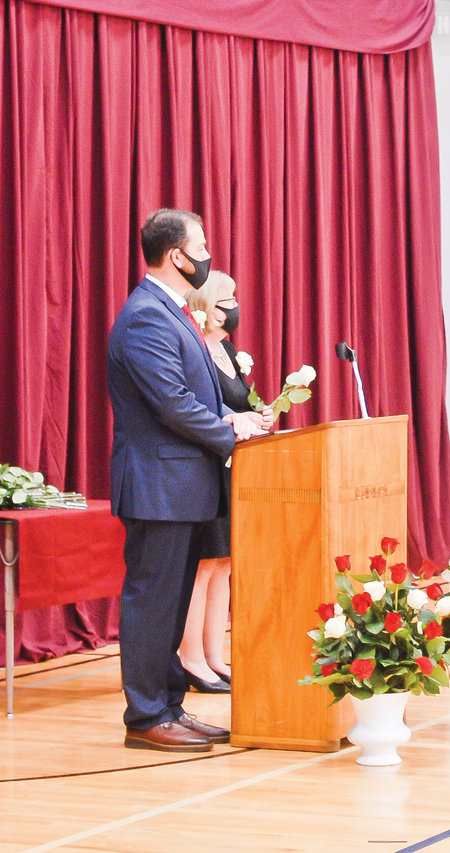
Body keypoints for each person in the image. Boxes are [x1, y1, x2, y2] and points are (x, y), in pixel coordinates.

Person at [107, 209, 266, 752]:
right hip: (158, 488)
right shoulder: (147, 315)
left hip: (181, 486)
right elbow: (171, 403)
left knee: (172, 604)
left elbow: (195, 394)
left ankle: (169, 704)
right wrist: (230, 432)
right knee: (153, 603)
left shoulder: (170, 311)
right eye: (201, 246)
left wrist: (236, 416)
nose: (208, 255)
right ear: (176, 255)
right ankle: (147, 714)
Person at [178, 271, 273, 693]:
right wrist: (232, 419)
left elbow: (240, 403)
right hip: (203, 467)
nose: (234, 305)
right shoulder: (194, 346)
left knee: (224, 564)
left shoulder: (229, 350)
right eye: (226, 298)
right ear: (205, 303)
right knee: (201, 567)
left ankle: (214, 656)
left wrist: (262, 413)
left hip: (234, 467)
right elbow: (195, 406)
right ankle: (190, 658)